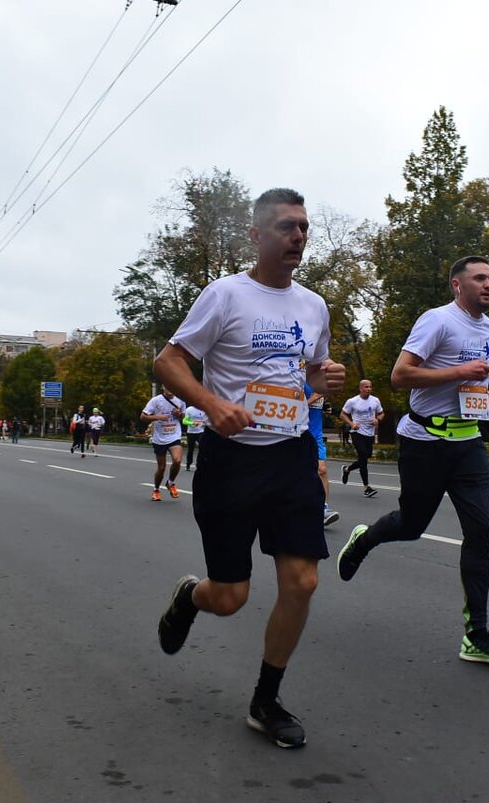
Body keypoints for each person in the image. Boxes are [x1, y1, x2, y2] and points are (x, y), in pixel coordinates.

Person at [153, 188, 346, 749]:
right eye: (287, 227)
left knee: (302, 580)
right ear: (257, 236)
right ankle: (192, 595)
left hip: (289, 456)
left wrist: (322, 382)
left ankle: (267, 699)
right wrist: (211, 404)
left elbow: (307, 377)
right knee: (231, 596)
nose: (299, 237)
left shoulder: (314, 306)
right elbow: (169, 361)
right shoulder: (225, 294)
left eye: (304, 228)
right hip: (231, 461)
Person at [336, 255, 489, 665]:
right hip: (424, 440)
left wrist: (484, 397)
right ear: (458, 285)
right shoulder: (436, 320)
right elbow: (401, 376)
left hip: (468, 443)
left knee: (481, 533)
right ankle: (364, 539)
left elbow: (471, 378)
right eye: (479, 278)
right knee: (411, 525)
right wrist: (459, 374)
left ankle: (476, 635)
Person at [340, 379, 384, 498]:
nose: (368, 389)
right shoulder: (353, 401)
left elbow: (381, 413)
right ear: (360, 388)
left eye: (370, 387)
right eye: (366, 387)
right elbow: (342, 414)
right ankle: (367, 487)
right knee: (363, 457)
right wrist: (351, 423)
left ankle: (347, 469)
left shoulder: (375, 400)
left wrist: (377, 419)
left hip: (369, 433)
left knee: (366, 456)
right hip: (357, 432)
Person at [305, 382, 340, 527]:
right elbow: (291, 408)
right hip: (299, 433)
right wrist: (312, 399)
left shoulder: (319, 383)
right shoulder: (299, 381)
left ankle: (323, 509)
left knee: (322, 470)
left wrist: (324, 406)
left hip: (317, 435)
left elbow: (316, 406)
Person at [141, 388, 185, 499]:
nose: (170, 389)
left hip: (174, 435)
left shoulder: (180, 400)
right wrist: (157, 417)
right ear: (163, 387)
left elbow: (184, 418)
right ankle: (156, 489)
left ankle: (170, 482)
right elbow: (143, 416)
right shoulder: (155, 401)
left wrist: (179, 414)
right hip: (160, 438)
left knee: (177, 460)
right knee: (161, 468)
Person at [184, 404, 207, 470]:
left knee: (202, 448)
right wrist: (192, 423)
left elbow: (206, 420)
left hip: (201, 432)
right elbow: (184, 421)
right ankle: (188, 464)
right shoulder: (189, 409)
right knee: (191, 449)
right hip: (191, 432)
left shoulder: (204, 409)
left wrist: (204, 424)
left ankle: (198, 465)